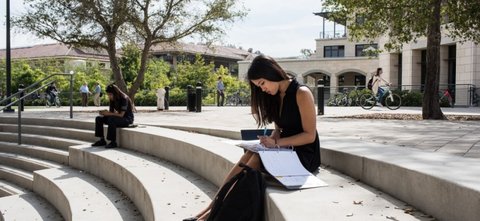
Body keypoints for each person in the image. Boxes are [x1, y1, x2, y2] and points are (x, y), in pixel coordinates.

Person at [186, 55, 320, 221]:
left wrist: (276, 143)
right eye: (258, 86)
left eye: (262, 83)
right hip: (286, 148)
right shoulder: (276, 95)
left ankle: (210, 215)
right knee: (249, 154)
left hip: (305, 154)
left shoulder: (302, 93)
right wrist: (270, 139)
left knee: (256, 157)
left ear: (272, 73)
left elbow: (310, 136)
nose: (262, 89)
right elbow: (280, 128)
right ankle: (210, 208)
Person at [91, 84, 135, 148]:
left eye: (110, 94)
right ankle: (102, 140)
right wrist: (104, 112)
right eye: (108, 94)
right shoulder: (112, 99)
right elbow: (111, 112)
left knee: (112, 119)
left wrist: (108, 114)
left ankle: (113, 142)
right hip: (118, 118)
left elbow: (121, 115)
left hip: (127, 119)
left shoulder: (124, 98)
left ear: (115, 93)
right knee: (99, 118)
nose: (109, 96)